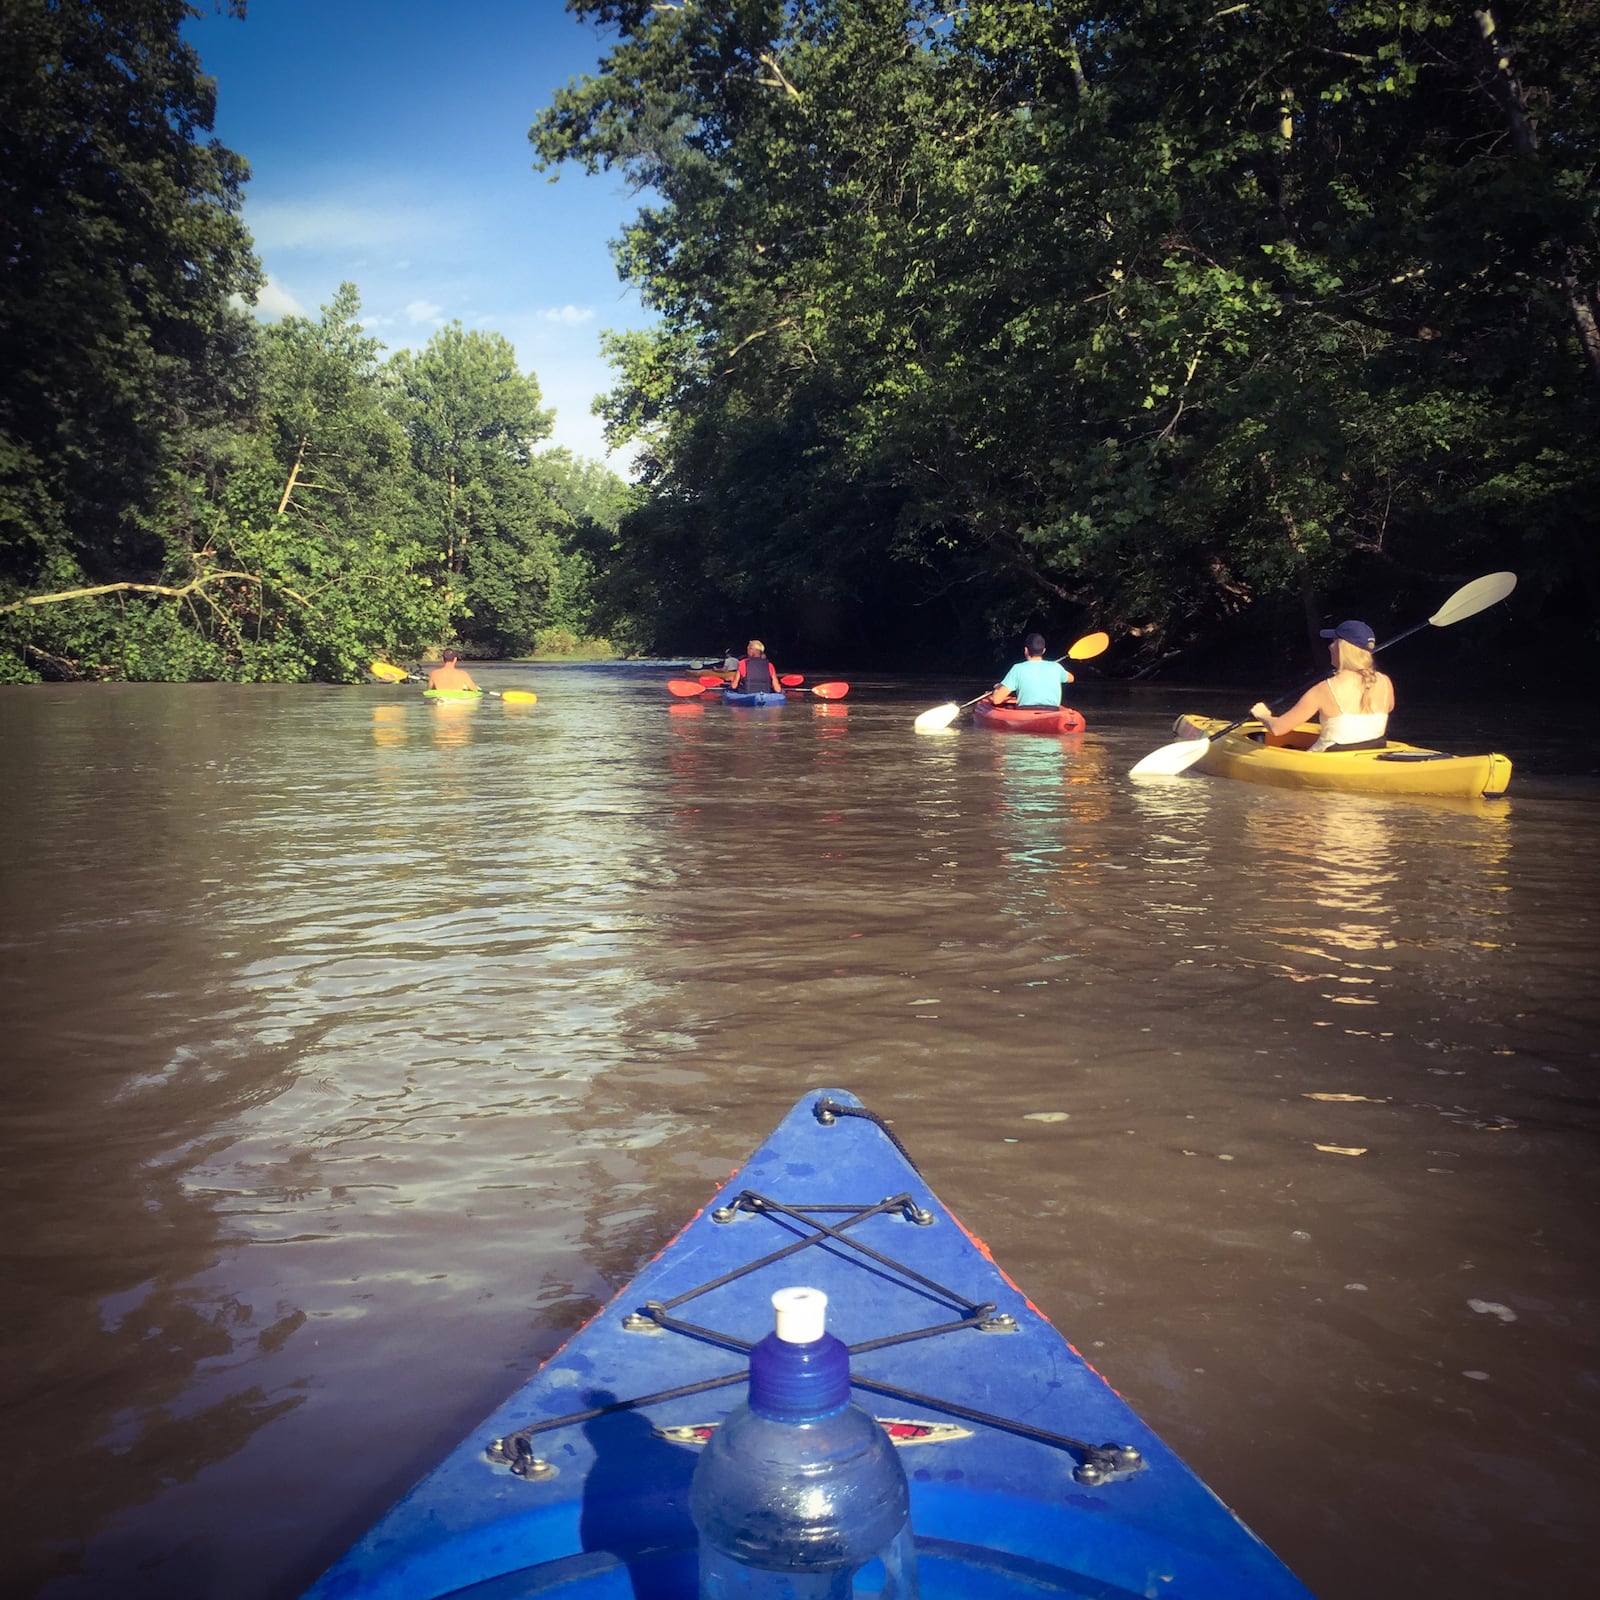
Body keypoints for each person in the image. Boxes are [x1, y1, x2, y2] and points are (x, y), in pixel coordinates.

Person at [1251, 620, 1394, 751]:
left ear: (1340, 648)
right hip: (1368, 755)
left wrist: (1263, 715)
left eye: (1333, 641)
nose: (1329, 646)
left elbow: (1278, 729)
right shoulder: (1385, 682)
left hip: (1328, 760)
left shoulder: (1323, 690)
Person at [992, 634, 1074, 707]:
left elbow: (996, 700)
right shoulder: (1056, 667)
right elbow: (1071, 678)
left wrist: (998, 688)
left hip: (1026, 715)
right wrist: (1056, 669)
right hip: (1053, 713)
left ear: (1026, 650)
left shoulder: (1017, 669)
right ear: (1044, 650)